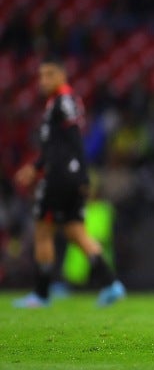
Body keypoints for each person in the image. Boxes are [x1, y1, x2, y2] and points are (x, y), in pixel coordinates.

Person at [13, 59, 126, 308]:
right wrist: (39, 168)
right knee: (76, 232)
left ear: (63, 75)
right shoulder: (65, 102)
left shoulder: (62, 101)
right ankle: (111, 284)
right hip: (71, 175)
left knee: (43, 231)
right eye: (41, 76)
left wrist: (54, 170)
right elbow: (60, 145)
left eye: (50, 75)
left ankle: (41, 294)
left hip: (60, 176)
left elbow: (73, 141)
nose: (43, 80)